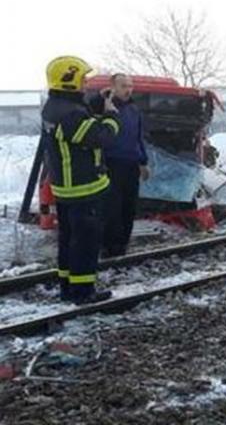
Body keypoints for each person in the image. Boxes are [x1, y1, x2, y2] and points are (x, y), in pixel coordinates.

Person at [41, 56, 121, 304]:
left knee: (68, 240)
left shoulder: (55, 106)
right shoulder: (70, 114)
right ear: (68, 81)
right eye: (82, 79)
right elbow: (100, 137)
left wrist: (98, 100)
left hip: (66, 189)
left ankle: (68, 286)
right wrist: (112, 117)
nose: (86, 83)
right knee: (86, 242)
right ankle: (84, 292)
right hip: (83, 189)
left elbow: (82, 119)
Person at [90, 73, 150, 258]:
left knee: (129, 207)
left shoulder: (133, 109)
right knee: (111, 209)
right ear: (113, 87)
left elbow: (138, 138)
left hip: (131, 164)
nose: (128, 89)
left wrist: (143, 162)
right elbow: (90, 108)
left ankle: (122, 246)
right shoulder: (104, 105)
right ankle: (109, 247)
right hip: (110, 164)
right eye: (123, 85)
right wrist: (101, 97)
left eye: (130, 86)